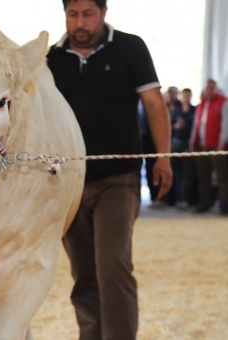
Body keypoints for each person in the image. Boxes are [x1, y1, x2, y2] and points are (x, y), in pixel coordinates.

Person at [46, 1, 172, 339]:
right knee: (83, 273)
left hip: (120, 178)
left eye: (88, 14)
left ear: (103, 12)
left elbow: (154, 103)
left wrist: (163, 157)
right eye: (73, 15)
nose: (80, 23)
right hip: (70, 185)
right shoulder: (50, 60)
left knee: (113, 267)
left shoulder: (131, 47)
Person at [191, 79, 228, 215]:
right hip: (202, 146)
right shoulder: (201, 105)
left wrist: (221, 142)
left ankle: (224, 206)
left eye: (212, 88)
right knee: (203, 176)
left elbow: (226, 125)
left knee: (222, 177)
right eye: (207, 88)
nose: (209, 90)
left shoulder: (223, 102)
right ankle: (204, 203)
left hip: (217, 146)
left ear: (216, 89)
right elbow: (196, 127)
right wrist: (193, 143)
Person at [170, 88, 197, 210]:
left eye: (188, 95)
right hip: (176, 144)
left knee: (187, 173)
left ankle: (185, 199)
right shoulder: (176, 110)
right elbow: (169, 125)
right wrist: (176, 126)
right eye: (184, 95)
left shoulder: (194, 110)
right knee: (175, 172)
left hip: (188, 144)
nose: (186, 97)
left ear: (190, 96)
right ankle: (175, 199)